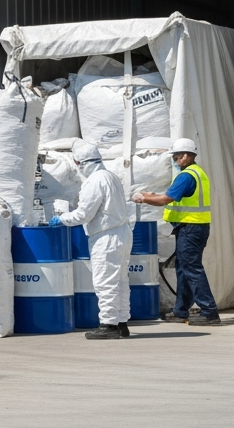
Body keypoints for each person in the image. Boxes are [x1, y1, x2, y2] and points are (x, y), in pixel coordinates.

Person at [48, 140, 132, 340]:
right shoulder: (111, 176)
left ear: (80, 163)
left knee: (105, 282)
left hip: (106, 236)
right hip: (122, 232)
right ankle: (121, 323)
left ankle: (108, 325)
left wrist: (62, 219)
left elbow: (84, 214)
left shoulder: (94, 181)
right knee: (120, 281)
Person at [133, 138, 219, 326]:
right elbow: (168, 195)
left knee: (192, 268)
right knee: (183, 268)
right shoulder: (196, 173)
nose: (175, 160)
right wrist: (149, 195)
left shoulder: (186, 176)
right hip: (193, 227)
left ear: (187, 156)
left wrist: (143, 200)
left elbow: (166, 199)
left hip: (191, 228)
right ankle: (181, 311)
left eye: (177, 157)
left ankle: (209, 311)